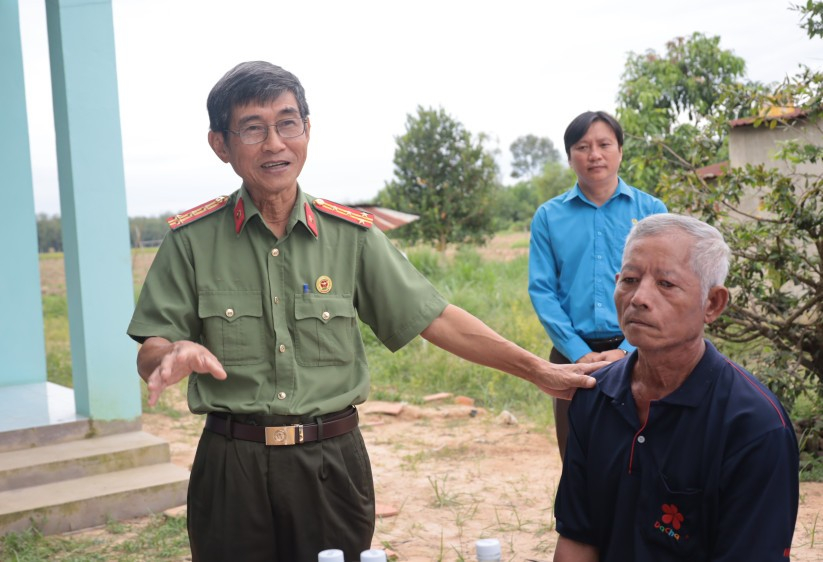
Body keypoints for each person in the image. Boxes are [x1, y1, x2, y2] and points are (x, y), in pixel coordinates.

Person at [127, 61, 604, 562]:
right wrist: (168, 353)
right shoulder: (191, 241)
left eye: (288, 123)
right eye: (252, 128)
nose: (274, 143)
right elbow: (153, 347)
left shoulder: (350, 236)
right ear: (221, 145)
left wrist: (539, 370)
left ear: (307, 130)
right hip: (231, 465)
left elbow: (435, 317)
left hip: (330, 463)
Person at [553, 213, 799, 561]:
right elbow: (577, 540)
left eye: (666, 284)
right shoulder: (594, 396)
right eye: (630, 279)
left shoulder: (755, 425)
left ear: (712, 303)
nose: (639, 297)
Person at [528, 110, 667, 461]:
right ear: (570, 156)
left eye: (604, 144)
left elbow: (664, 284)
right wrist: (579, 352)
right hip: (571, 359)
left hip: (639, 351)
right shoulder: (549, 216)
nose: (595, 154)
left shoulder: (651, 211)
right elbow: (542, 291)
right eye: (583, 146)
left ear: (620, 150)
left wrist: (625, 350)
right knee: (577, 457)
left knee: (642, 455)